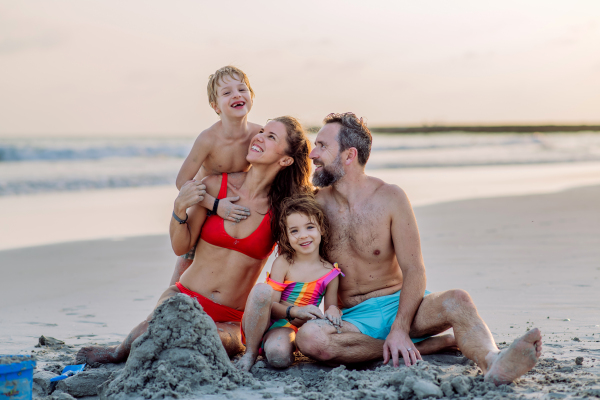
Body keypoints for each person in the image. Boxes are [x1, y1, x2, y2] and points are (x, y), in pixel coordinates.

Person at [294, 113, 542, 385]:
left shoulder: (391, 197)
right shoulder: (314, 205)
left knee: (458, 300)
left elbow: (414, 269)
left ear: (349, 155)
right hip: (353, 318)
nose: (313, 154)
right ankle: (428, 346)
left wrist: (400, 328)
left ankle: (493, 361)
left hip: (403, 306)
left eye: (322, 146)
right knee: (310, 339)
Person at [76, 116, 312, 364]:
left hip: (232, 318)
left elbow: (300, 259)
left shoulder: (283, 210)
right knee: (141, 340)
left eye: (271, 137)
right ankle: (117, 351)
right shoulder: (213, 186)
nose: (259, 136)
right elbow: (181, 246)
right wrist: (179, 209)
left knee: (208, 339)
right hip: (184, 297)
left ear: (285, 159)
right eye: (262, 131)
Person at [169, 65, 263, 286]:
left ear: (251, 96)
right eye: (227, 92)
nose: (237, 95)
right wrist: (215, 205)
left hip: (237, 201)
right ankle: (166, 304)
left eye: (242, 89)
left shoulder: (258, 135)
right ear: (215, 106)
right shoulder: (209, 139)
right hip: (206, 202)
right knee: (186, 261)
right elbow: (182, 181)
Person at [237, 194, 343, 371]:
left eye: (309, 227)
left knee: (279, 358)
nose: (303, 236)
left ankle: (278, 345)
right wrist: (297, 311)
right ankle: (250, 353)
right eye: (294, 230)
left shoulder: (330, 273)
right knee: (262, 290)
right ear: (286, 235)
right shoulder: (284, 262)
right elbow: (271, 306)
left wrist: (333, 309)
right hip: (262, 320)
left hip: (287, 329)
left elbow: (331, 307)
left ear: (321, 229)